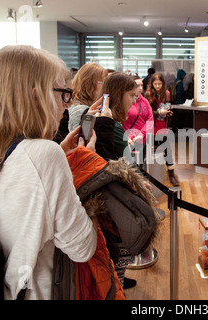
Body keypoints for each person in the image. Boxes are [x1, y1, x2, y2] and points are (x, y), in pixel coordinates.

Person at [0, 45, 99, 299]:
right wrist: (87, 164)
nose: (66, 105)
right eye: (63, 93)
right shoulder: (44, 155)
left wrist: (59, 152)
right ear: (37, 96)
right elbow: (83, 247)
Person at [87, 71, 138, 289]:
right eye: (132, 95)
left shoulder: (111, 123)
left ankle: (118, 282)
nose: (134, 100)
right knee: (119, 248)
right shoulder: (112, 125)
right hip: (114, 197)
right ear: (119, 95)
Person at [145, 72, 179, 186]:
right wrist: (159, 112)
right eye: (155, 83)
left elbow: (166, 106)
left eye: (160, 84)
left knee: (167, 150)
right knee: (149, 151)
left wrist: (168, 113)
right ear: (152, 84)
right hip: (152, 127)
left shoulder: (166, 93)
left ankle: (171, 174)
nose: (158, 86)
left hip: (163, 126)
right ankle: (150, 175)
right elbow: (147, 113)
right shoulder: (149, 94)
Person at [68, 63, 108, 132]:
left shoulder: (81, 106)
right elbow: (79, 139)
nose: (106, 87)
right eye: (103, 83)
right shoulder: (80, 110)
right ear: (89, 84)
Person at [123, 74, 154, 157]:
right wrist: (127, 137)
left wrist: (141, 134)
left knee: (141, 164)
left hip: (142, 139)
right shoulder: (124, 101)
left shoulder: (144, 101)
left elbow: (150, 119)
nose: (140, 88)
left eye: (141, 85)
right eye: (137, 86)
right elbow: (120, 121)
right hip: (128, 140)